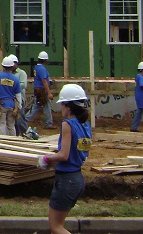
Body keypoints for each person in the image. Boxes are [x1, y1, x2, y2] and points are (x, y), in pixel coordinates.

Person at [35, 83, 92, 234]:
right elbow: (77, 151)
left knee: (56, 227)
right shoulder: (85, 124)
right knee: (57, 226)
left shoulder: (67, 124)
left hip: (67, 180)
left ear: (68, 106)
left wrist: (46, 159)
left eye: (62, 105)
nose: (61, 108)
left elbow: (64, 155)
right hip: (77, 178)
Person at [0, 55, 23, 136]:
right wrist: (19, 106)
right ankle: (13, 141)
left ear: (3, 66)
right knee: (11, 125)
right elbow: (18, 95)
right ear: (12, 67)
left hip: (1, 105)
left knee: (1, 125)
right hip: (11, 105)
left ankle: (3, 141)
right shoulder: (15, 79)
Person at [26, 50, 55, 131]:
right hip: (42, 91)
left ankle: (48, 122)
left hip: (39, 90)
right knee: (40, 106)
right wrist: (49, 93)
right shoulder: (42, 69)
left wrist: (49, 83)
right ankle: (48, 123)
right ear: (45, 60)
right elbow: (43, 81)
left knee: (42, 106)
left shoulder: (37, 68)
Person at [11, 55, 29, 136]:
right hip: (11, 99)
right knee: (13, 120)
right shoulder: (8, 73)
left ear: (16, 63)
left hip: (19, 99)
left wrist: (12, 85)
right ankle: (17, 135)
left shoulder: (21, 73)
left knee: (20, 119)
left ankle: (27, 134)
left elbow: (23, 85)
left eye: (13, 64)